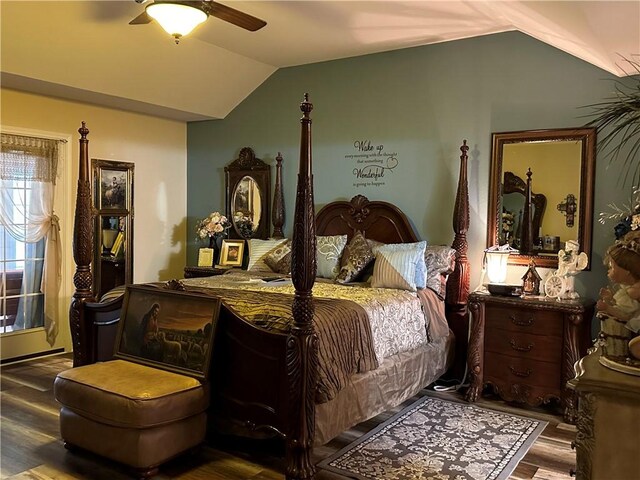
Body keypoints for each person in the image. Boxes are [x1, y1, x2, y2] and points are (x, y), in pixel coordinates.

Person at [597, 231, 640, 359]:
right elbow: (622, 307)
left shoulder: (633, 292)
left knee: (634, 346)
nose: (609, 271)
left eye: (612, 267)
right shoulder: (628, 289)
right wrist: (610, 299)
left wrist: (607, 308)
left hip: (637, 329)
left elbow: (625, 315)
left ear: (626, 271)